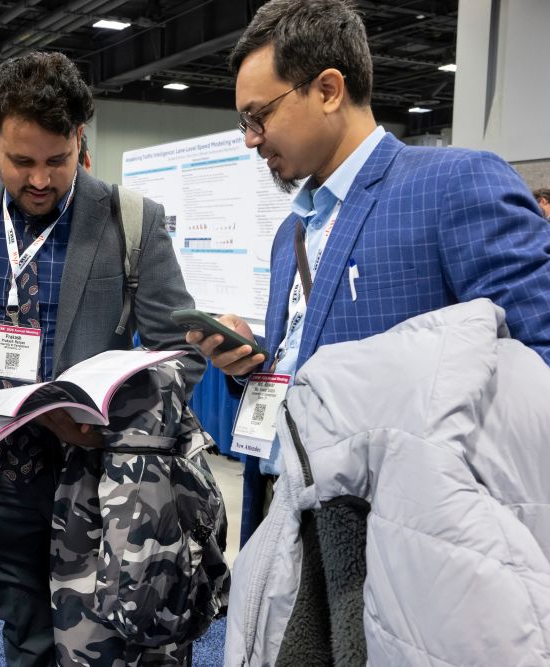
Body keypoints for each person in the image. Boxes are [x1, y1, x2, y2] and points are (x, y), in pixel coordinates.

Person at [188, 0, 550, 544]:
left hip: (404, 539)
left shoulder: (454, 186)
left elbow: (537, 367)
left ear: (329, 90)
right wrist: (248, 364)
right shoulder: (292, 236)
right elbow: (313, 362)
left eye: (259, 116)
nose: (250, 139)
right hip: (284, 518)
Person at [0, 51, 204, 666]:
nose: (39, 180)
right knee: (28, 638)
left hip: (99, 483)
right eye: (22, 162)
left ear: (80, 141)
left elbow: (181, 355)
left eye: (56, 161)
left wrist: (109, 416)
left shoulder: (130, 221)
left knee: (105, 644)